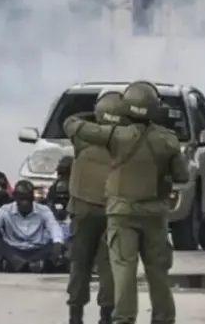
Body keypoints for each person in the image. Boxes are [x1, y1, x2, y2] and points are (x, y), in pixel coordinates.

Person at [64, 80, 190, 324]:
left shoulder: (115, 137)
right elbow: (182, 176)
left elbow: (73, 125)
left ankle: (123, 318)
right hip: (154, 214)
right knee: (158, 272)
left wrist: (103, 114)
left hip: (121, 212)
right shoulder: (168, 140)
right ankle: (163, 318)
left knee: (123, 270)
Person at [64, 90, 124, 324]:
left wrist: (98, 115)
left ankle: (75, 313)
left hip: (83, 209)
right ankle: (106, 315)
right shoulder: (127, 140)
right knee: (109, 266)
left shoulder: (83, 137)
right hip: (114, 210)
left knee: (80, 263)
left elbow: (70, 121)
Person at [0, 180, 65, 273]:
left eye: (28, 199)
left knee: (56, 244)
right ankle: (29, 265)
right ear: (15, 198)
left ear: (33, 198)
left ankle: (22, 265)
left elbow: (54, 227)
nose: (25, 202)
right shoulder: (5, 210)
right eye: (22, 199)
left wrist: (57, 242)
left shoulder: (44, 210)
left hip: (37, 249)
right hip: (14, 249)